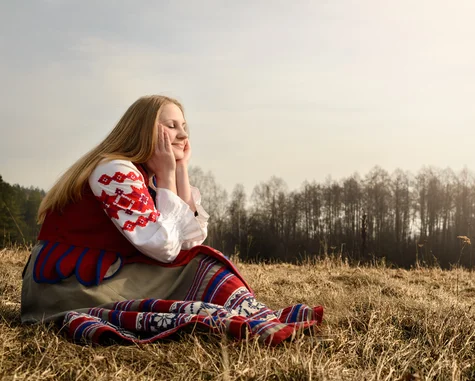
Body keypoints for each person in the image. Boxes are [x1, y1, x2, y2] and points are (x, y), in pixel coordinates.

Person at [21, 95, 322, 345]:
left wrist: (180, 170)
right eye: (172, 125)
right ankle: (251, 323)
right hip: (69, 287)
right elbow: (164, 247)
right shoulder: (115, 171)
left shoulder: (140, 174)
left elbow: (190, 240)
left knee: (199, 261)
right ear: (143, 130)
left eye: (184, 126)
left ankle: (256, 320)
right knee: (201, 266)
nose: (183, 134)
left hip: (102, 276)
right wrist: (166, 175)